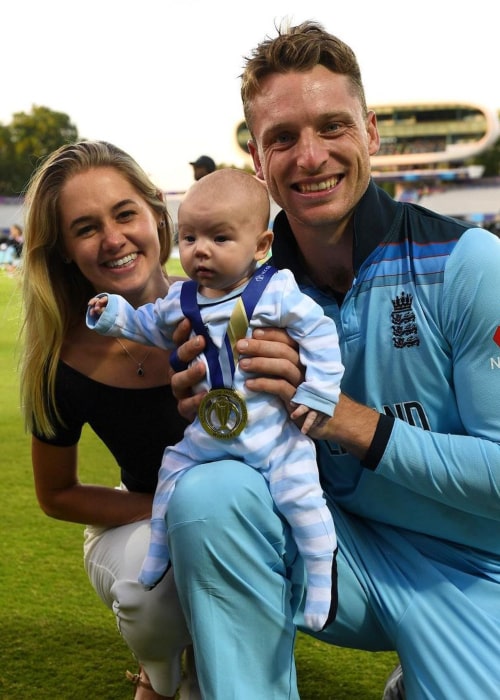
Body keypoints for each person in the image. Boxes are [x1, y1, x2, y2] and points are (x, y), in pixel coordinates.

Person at [166, 20, 500, 700]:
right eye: (282, 138)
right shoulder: (237, 299)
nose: (310, 156)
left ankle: (424, 674)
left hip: (472, 567)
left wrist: (345, 420)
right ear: (259, 161)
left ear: (370, 133)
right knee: (211, 496)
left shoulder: (469, 265)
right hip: (334, 552)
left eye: (332, 126)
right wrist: (212, 414)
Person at [86, 167, 344, 632]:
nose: (200, 250)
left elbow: (320, 331)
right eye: (189, 238)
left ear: (261, 246)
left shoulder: (274, 290)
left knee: (301, 495)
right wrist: (111, 315)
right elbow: (145, 325)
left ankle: (323, 573)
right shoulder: (182, 299)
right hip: (210, 431)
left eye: (219, 238)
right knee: (172, 470)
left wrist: (320, 391)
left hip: (271, 433)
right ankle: (157, 557)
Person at [18, 140, 201, 700]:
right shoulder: (60, 361)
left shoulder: (223, 309)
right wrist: (175, 506)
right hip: (137, 520)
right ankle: (160, 675)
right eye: (85, 227)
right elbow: (57, 495)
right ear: (65, 252)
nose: (114, 239)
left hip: (235, 512)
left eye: (125, 213)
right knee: (152, 596)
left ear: (155, 215)